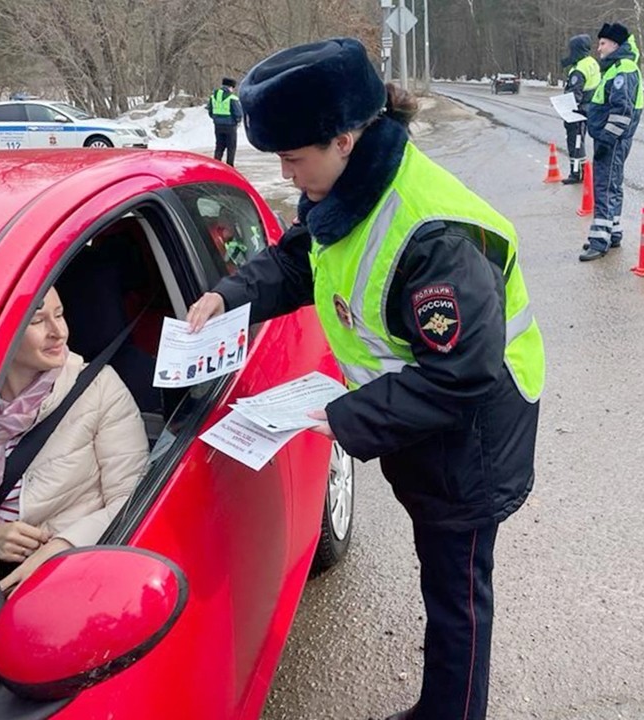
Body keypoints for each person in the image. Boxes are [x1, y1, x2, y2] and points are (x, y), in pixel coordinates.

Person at [186, 37, 545, 720]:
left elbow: (463, 371)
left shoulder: (428, 232)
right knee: (442, 575)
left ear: (345, 138)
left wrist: (343, 416)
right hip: (421, 425)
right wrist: (229, 296)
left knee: (457, 596)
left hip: (472, 435)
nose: (288, 175)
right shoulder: (348, 187)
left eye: (294, 159)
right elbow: (301, 257)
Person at [0, 287, 148, 593]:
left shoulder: (99, 387)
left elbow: (132, 498)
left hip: (65, 574)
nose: (58, 332)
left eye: (60, 314)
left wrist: (62, 546)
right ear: (0, 331)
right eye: (38, 321)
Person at [580, 23, 644, 262]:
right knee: (613, 185)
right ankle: (612, 232)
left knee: (604, 187)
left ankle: (599, 241)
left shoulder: (622, 69)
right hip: (614, 139)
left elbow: (621, 110)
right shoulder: (618, 67)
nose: (598, 48)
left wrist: (607, 137)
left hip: (612, 140)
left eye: (603, 43)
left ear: (615, 45)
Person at [560, 34, 601, 184]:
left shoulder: (579, 69)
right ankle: (583, 171)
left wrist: (564, 107)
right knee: (582, 140)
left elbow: (574, 95)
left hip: (578, 110)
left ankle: (576, 173)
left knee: (575, 141)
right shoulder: (592, 63)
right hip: (592, 107)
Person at [207, 77, 244, 166]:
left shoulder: (213, 96)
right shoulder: (232, 97)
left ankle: (216, 165)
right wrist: (238, 121)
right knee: (231, 147)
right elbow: (238, 113)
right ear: (230, 87)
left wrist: (216, 118)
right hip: (230, 126)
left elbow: (210, 110)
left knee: (219, 146)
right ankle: (230, 166)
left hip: (218, 125)